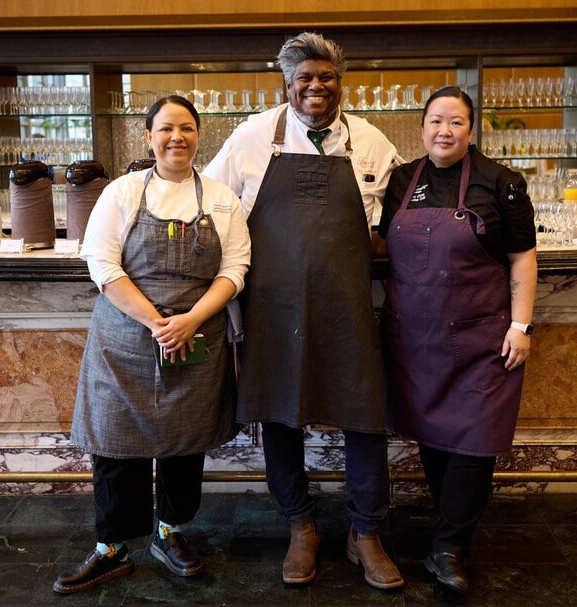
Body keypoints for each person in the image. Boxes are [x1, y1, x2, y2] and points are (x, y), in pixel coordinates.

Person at [203, 32, 405, 590]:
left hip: (349, 304)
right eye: (304, 79)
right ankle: (300, 524)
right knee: (279, 413)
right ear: (287, 85)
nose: (316, 87)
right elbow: (212, 206)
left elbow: (396, 220)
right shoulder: (251, 137)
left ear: (341, 82)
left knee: (364, 415)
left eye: (326, 77)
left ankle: (367, 532)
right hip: (273, 303)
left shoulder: (370, 141)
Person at [53, 95, 251, 594]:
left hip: (196, 336)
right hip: (125, 338)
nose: (176, 137)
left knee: (185, 441)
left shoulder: (222, 199)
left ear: (199, 135)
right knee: (115, 444)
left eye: (186, 128)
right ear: (148, 137)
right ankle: (111, 547)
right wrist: (158, 323)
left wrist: (190, 320)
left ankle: (170, 531)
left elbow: (235, 269)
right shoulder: (121, 193)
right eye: (165, 129)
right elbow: (102, 265)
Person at [375, 86, 537, 597]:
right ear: (422, 127)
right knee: (434, 436)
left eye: (456, 122)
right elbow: (384, 246)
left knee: (475, 442)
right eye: (435, 121)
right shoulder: (402, 179)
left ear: (471, 129)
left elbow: (522, 257)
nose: (444, 131)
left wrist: (521, 326)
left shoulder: (502, 183)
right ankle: (448, 535)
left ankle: (450, 547)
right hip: (415, 338)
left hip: (482, 339)